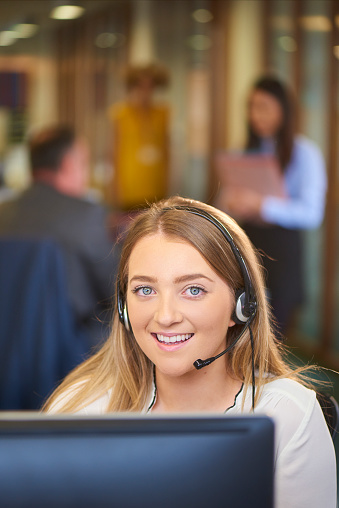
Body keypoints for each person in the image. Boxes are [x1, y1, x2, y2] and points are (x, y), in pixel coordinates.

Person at [44, 196, 336, 508]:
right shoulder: (79, 409)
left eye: (193, 290)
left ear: (241, 307)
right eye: (145, 290)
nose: (165, 316)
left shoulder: (288, 415)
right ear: (123, 307)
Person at [218, 75, 327, 336]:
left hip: (283, 253)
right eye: (252, 107)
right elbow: (223, 205)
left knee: (273, 335)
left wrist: (263, 205)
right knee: (240, 331)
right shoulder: (245, 151)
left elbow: (312, 213)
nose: (256, 115)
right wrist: (233, 202)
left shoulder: (305, 154)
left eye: (264, 107)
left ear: (283, 110)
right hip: (247, 245)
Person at [0, 125, 118, 346]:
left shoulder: (3, 214)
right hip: (74, 353)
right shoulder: (88, 215)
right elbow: (115, 289)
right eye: (84, 164)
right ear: (67, 164)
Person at [107, 62, 170, 211]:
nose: (145, 91)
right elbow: (113, 152)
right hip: (129, 188)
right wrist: (115, 189)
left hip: (156, 187)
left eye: (150, 86)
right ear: (132, 87)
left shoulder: (163, 113)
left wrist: (167, 184)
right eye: (141, 86)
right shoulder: (120, 114)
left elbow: (167, 151)